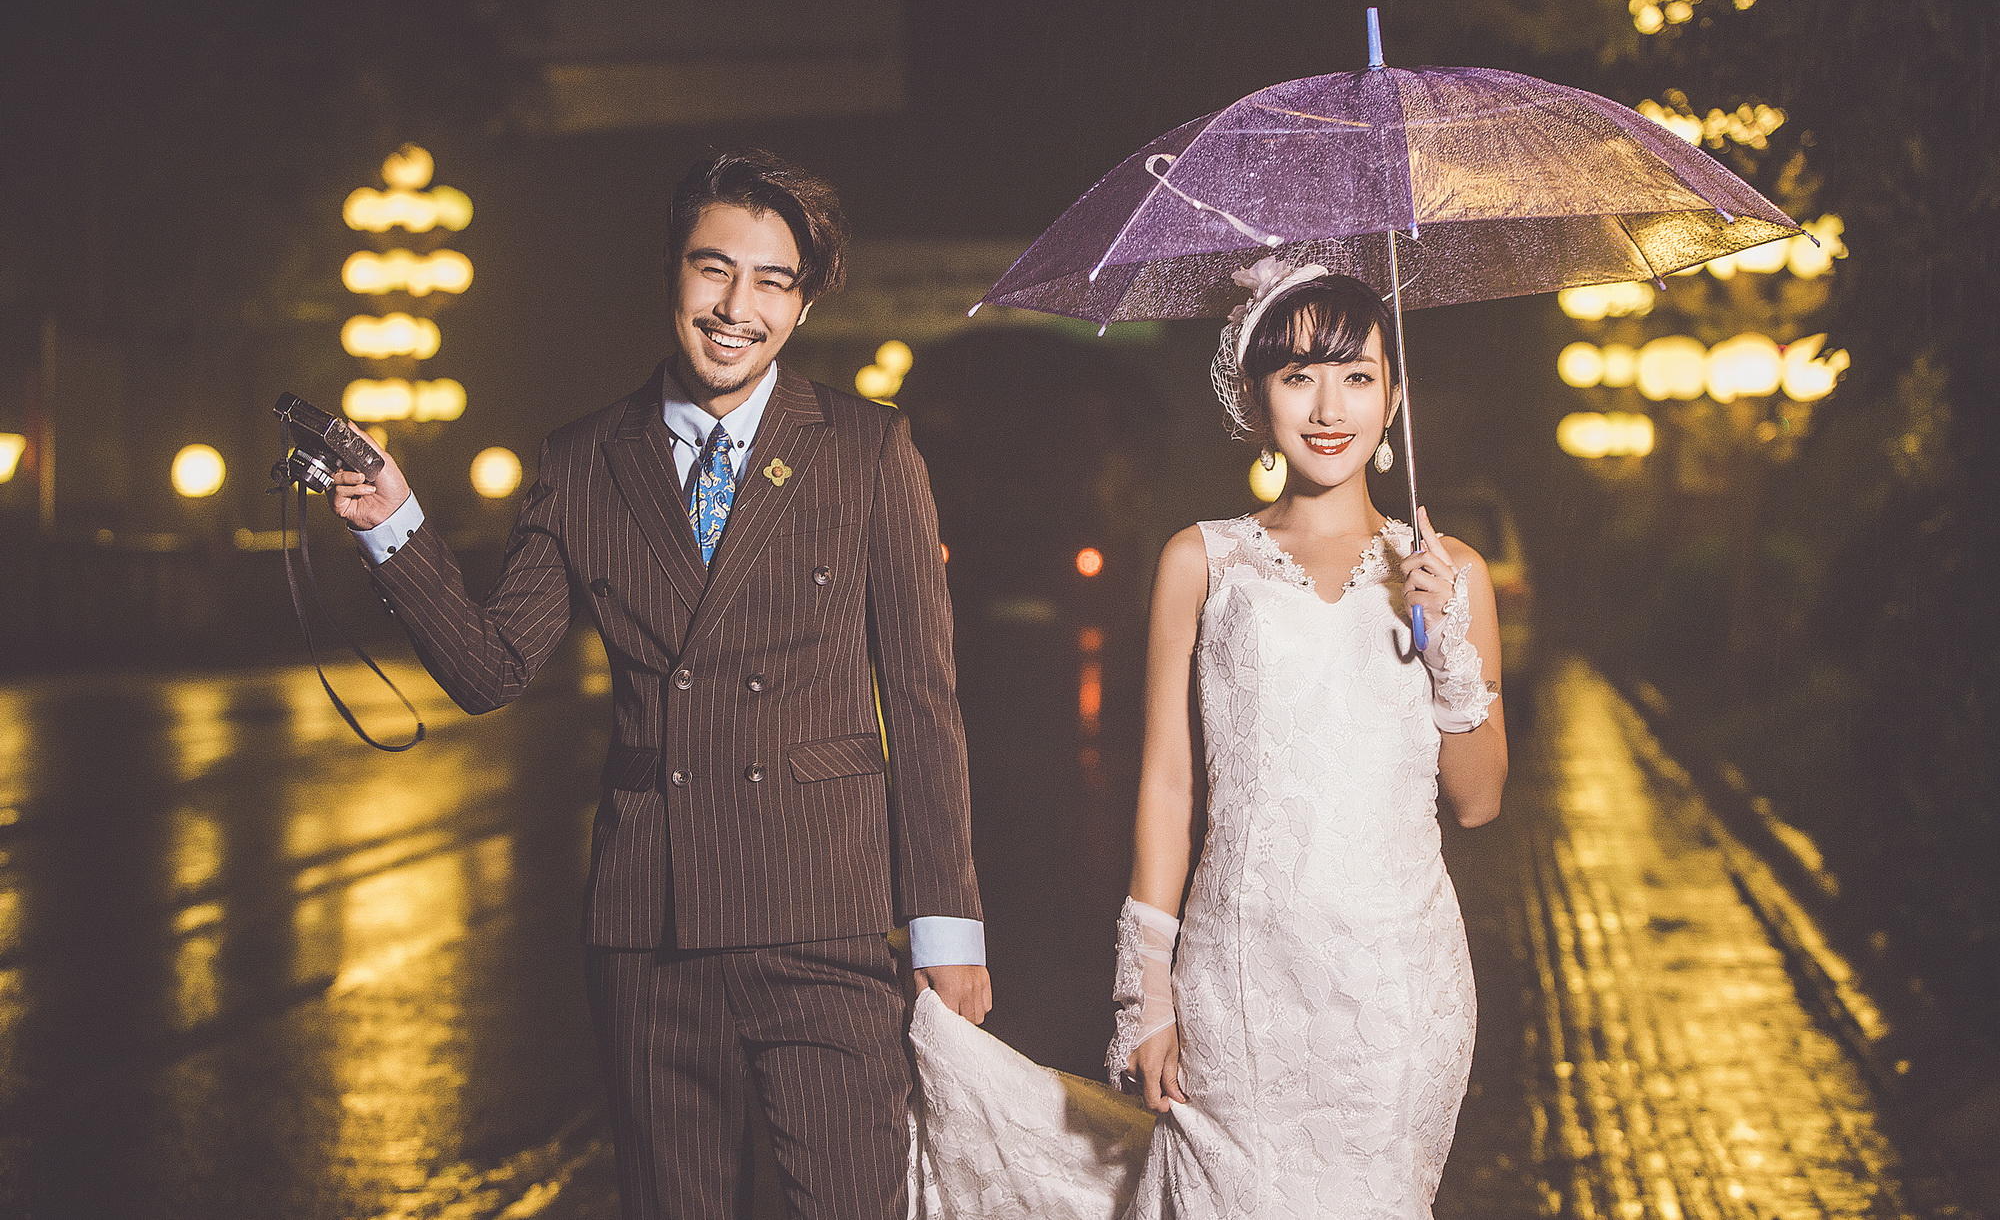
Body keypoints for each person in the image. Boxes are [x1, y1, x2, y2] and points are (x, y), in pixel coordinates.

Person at [329, 149, 991, 1220]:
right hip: (650, 930)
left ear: (804, 302)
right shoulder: (585, 459)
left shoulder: (868, 449)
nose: (736, 308)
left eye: (772, 281)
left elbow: (922, 701)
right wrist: (394, 525)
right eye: (712, 268)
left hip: (822, 918)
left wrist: (946, 929)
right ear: (672, 272)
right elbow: (493, 667)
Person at [907, 258, 1505, 1220]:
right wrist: (1148, 993)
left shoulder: (1449, 573)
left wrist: (1448, 646)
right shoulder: (1201, 560)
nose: (1330, 406)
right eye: (1298, 375)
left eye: (1357, 375)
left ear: (1394, 398)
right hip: (1240, 983)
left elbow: (1478, 800)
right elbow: (1168, 788)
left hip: (1398, 992)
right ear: (1254, 398)